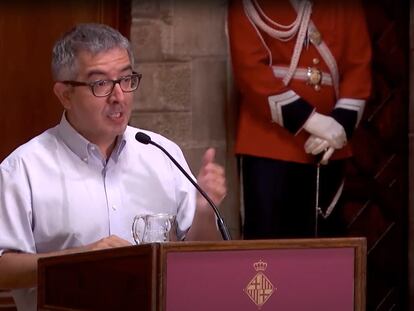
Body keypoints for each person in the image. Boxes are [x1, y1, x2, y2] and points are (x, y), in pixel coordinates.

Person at [0, 23, 226, 310]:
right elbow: (2, 269)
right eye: (101, 84)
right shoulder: (23, 169)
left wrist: (206, 212)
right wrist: (79, 259)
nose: (119, 96)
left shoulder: (161, 153)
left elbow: (198, 258)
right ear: (64, 94)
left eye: (126, 79)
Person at [228, 0, 372, 239]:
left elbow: (358, 67)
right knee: (269, 249)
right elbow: (249, 69)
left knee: (325, 243)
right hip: (270, 143)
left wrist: (339, 124)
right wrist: (312, 121)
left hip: (329, 144)